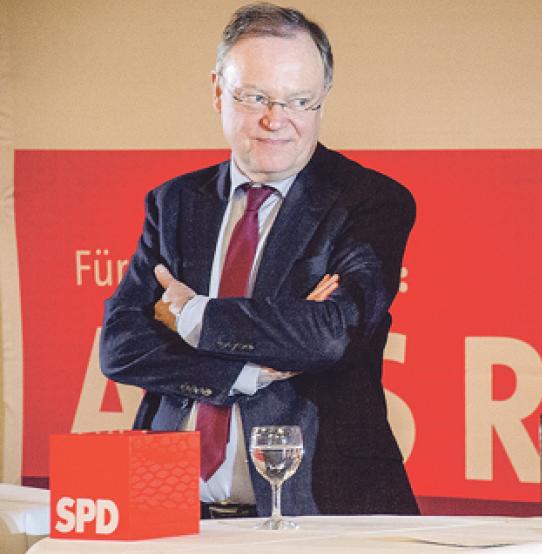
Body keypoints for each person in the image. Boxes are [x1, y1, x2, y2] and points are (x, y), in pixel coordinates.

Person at [100, 2, 418, 518]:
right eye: (256, 98)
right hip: (167, 507)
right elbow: (120, 345)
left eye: (299, 101)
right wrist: (247, 369)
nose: (277, 120)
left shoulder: (369, 202)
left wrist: (191, 315)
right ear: (218, 91)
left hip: (319, 509)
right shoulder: (173, 203)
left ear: (322, 101)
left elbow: (329, 334)